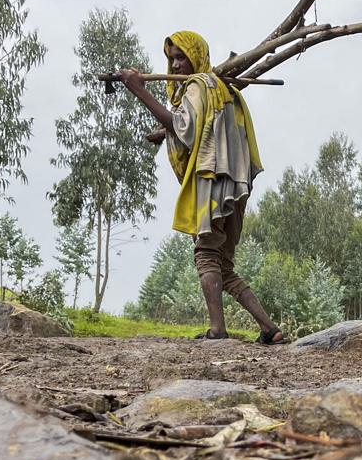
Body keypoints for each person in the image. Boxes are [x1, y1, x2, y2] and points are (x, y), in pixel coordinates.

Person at [116, 31, 285, 343]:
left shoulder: (198, 85)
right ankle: (270, 329)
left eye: (182, 57)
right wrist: (165, 132)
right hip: (235, 185)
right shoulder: (220, 89)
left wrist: (138, 90)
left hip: (212, 182)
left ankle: (217, 331)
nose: (176, 65)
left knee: (206, 254)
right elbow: (204, 129)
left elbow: (186, 129)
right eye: (172, 59)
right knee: (224, 266)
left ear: (196, 56)